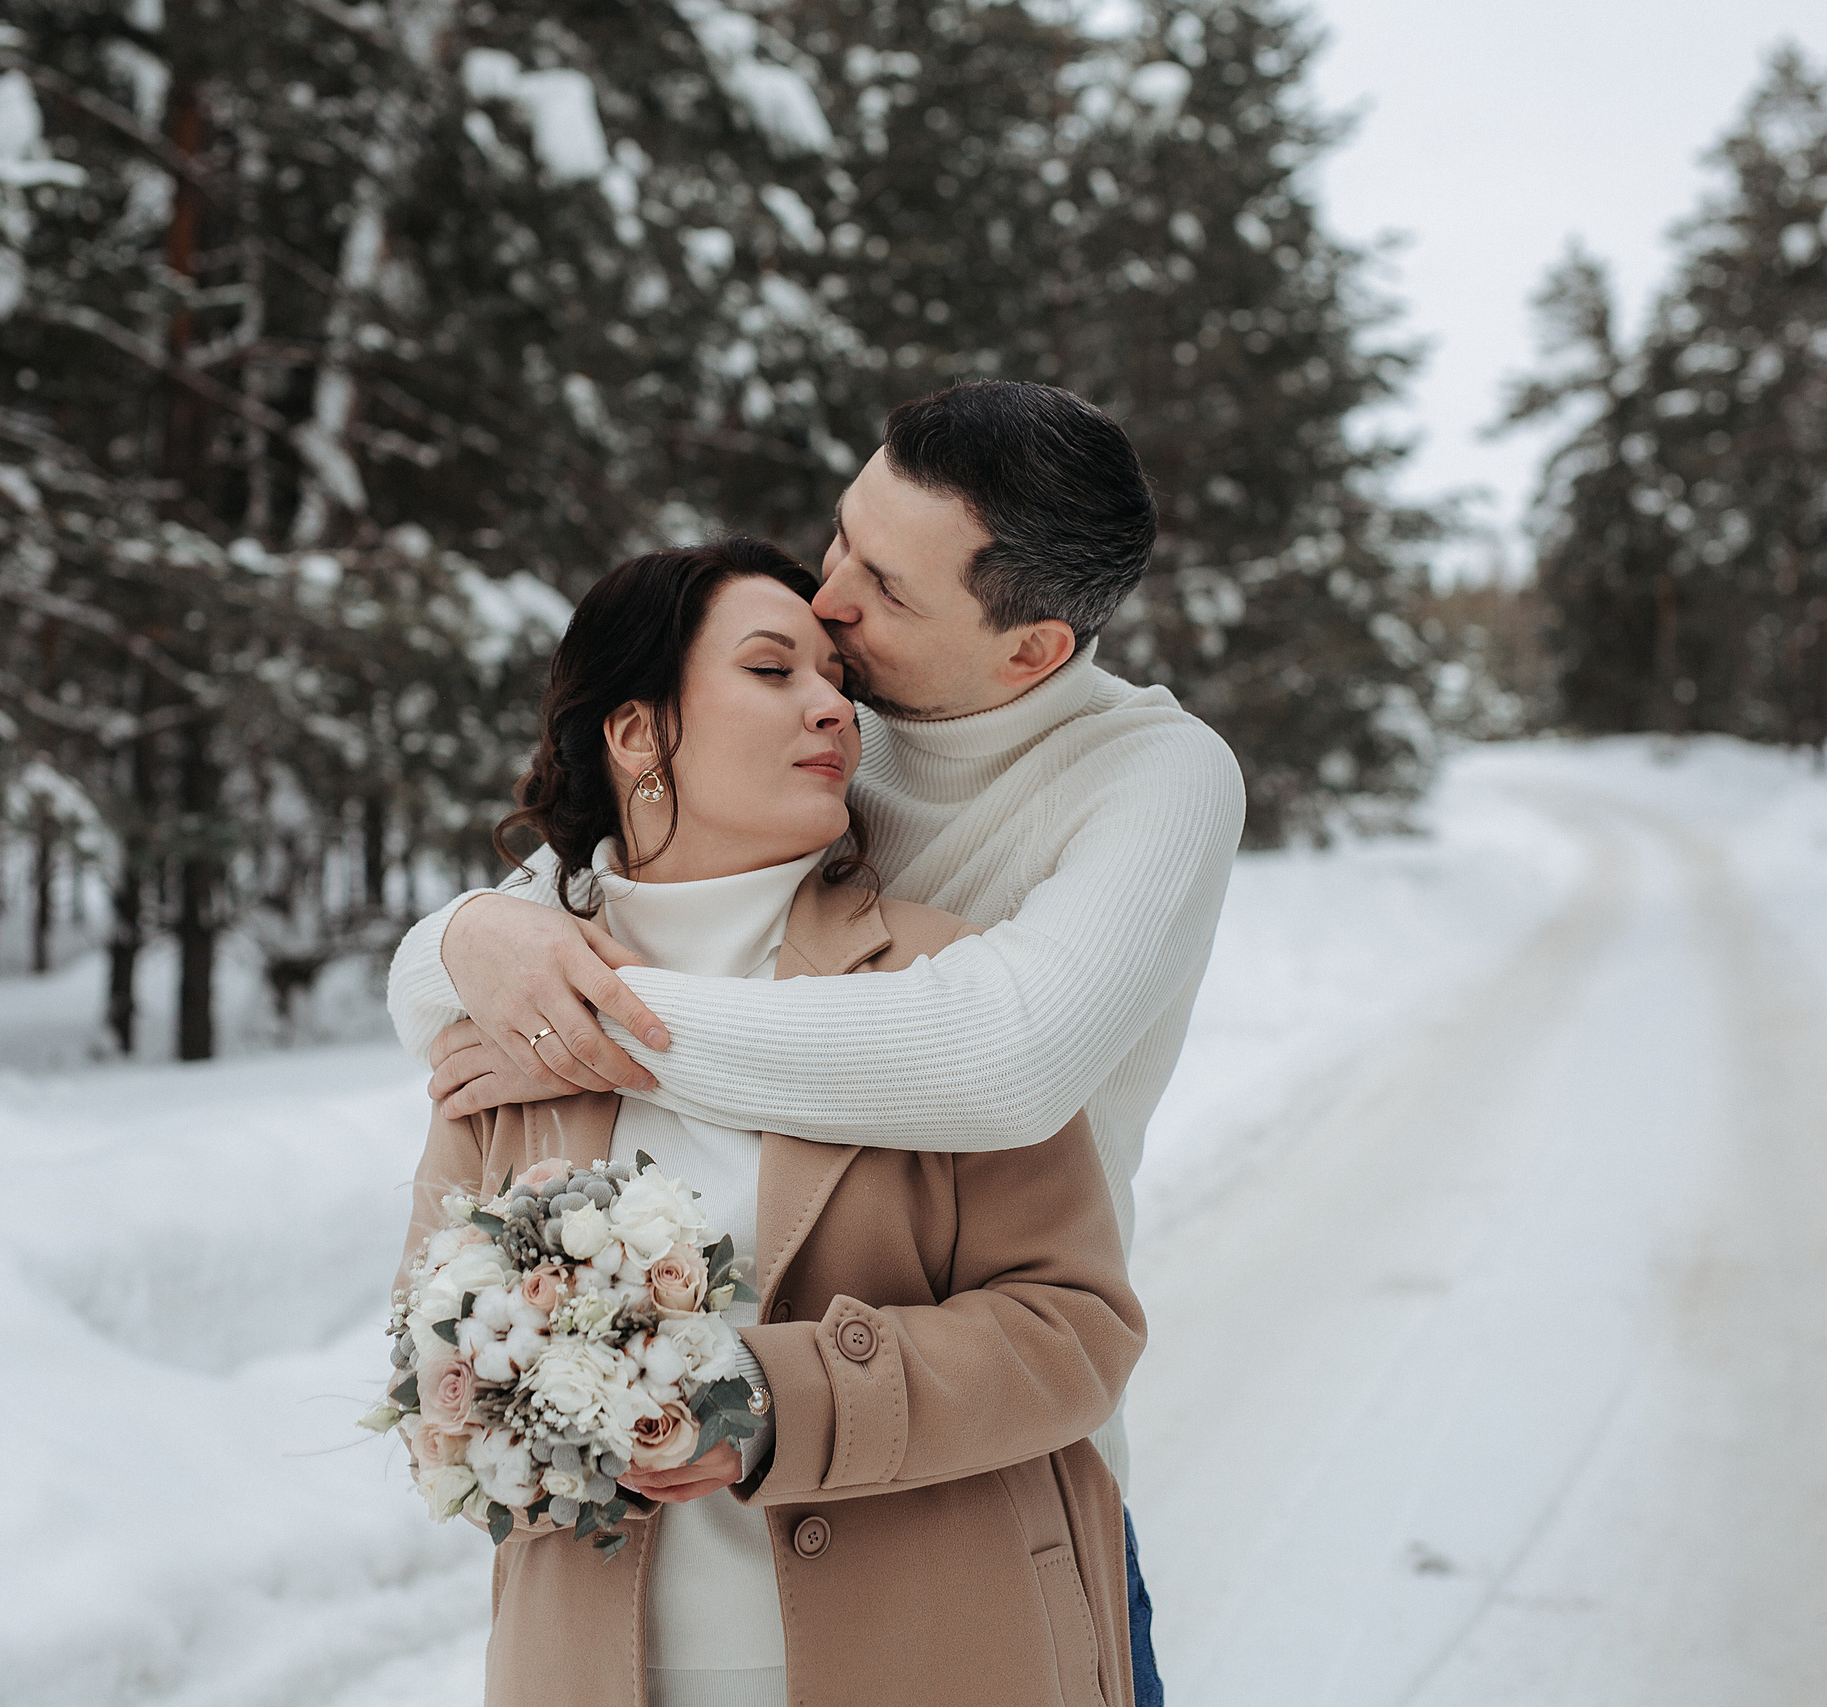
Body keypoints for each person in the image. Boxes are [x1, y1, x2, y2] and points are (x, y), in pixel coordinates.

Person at [391, 381, 1246, 1707]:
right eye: (842, 535)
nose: (830, 600)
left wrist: (607, 1036)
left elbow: (999, 1061)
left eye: (883, 593)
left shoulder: (1148, 777)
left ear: (1028, 650)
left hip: (974, 1553)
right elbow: (552, 929)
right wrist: (466, 943)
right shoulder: (798, 730)